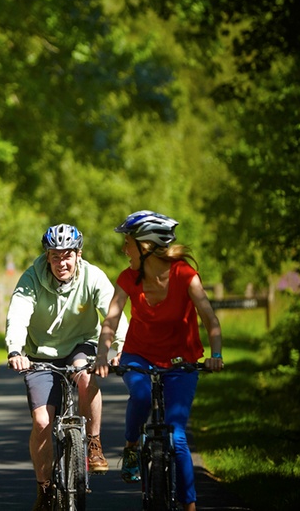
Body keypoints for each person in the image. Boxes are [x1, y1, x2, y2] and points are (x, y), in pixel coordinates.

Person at [93, 211, 224, 511]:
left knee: (177, 437)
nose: (124, 249)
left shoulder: (185, 276)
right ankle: (130, 448)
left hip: (181, 361)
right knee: (140, 395)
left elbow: (210, 319)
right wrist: (103, 354)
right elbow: (111, 320)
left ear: (145, 246)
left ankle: (189, 506)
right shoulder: (128, 278)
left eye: (127, 242)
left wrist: (215, 356)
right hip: (139, 355)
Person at [5, 223, 128, 511]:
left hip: (82, 343)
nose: (62, 262)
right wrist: (15, 349)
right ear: (47, 257)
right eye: (55, 256)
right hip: (39, 354)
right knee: (42, 422)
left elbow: (113, 313)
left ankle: (94, 443)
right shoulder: (31, 278)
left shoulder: (93, 276)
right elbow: (18, 313)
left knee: (85, 375)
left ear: (78, 255)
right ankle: (44, 488)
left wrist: (118, 349)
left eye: (67, 255)